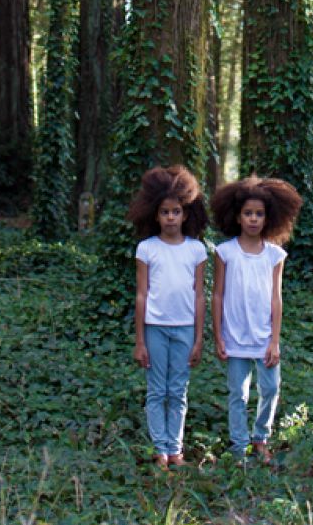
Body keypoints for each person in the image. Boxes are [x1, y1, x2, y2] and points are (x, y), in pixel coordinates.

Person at [207, 175, 300, 462]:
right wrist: (218, 335)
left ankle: (261, 437)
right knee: (238, 393)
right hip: (235, 335)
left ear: (268, 218)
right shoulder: (225, 252)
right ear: (237, 216)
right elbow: (218, 294)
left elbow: (276, 297)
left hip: (264, 337)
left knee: (270, 388)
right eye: (248, 213)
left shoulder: (275, 255)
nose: (253, 219)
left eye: (259, 214)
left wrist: (275, 340)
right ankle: (239, 445)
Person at [128, 165, 208, 468]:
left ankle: (176, 449)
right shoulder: (146, 249)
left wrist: (199, 339)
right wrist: (139, 340)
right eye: (165, 212)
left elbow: (200, 295)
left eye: (176, 211)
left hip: (185, 328)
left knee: (178, 391)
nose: (171, 217)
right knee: (156, 390)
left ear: (185, 214)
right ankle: (159, 449)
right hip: (155, 328)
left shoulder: (196, 250)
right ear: (156, 215)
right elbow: (141, 294)